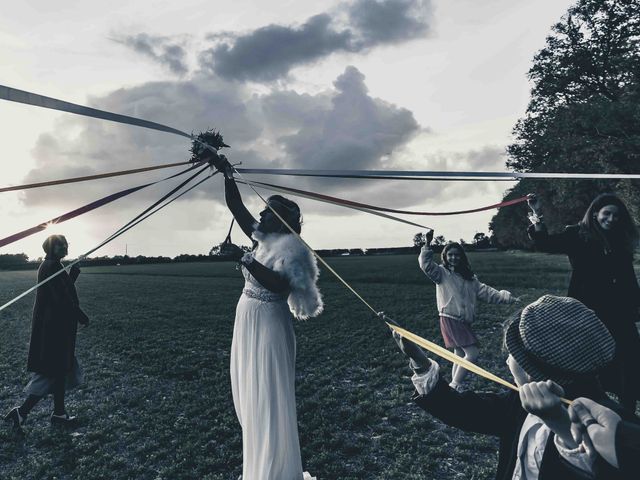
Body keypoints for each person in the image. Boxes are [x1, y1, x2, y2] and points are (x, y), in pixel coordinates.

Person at [392, 294, 631, 479]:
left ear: (530, 370)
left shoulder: (614, 426)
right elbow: (460, 409)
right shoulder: (517, 404)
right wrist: (420, 363)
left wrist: (560, 425)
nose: (507, 360)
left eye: (512, 355)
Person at [204, 150, 322, 480]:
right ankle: (257, 464)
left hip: (270, 323)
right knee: (249, 392)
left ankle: (275, 471)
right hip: (247, 320)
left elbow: (278, 285)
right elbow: (236, 208)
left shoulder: (293, 249)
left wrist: (244, 258)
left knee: (268, 397)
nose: (260, 215)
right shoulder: (262, 237)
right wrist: (225, 173)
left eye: (267, 212)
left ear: (282, 219)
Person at [527, 193, 640, 410]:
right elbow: (545, 243)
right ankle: (587, 406)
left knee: (629, 358)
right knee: (587, 360)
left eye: (617, 216)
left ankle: (627, 409)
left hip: (619, 311)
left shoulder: (620, 240)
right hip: (586, 311)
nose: (612, 219)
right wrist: (536, 214)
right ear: (596, 213)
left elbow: (628, 278)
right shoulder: (577, 234)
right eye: (607, 214)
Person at [4, 235, 88, 429]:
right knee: (54, 371)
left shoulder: (52, 265)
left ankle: (58, 413)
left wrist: (73, 273)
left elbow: (61, 288)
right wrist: (81, 316)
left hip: (54, 328)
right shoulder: (51, 266)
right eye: (61, 245)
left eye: (66, 244)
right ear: (51, 248)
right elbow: (63, 299)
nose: (65, 247)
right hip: (53, 329)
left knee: (59, 372)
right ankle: (23, 412)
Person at [418, 230, 519, 391]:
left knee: (459, 354)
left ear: (462, 257)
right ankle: (455, 385)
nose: (453, 257)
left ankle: (454, 386)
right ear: (445, 256)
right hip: (450, 317)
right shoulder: (442, 273)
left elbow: (486, 292)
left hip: (462, 320)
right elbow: (426, 265)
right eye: (450, 254)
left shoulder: (470, 278)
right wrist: (427, 243)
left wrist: (506, 298)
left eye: (457, 255)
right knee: (472, 353)